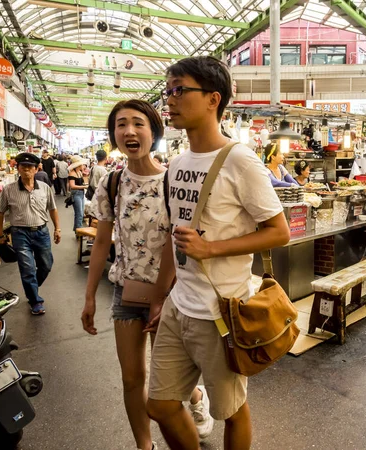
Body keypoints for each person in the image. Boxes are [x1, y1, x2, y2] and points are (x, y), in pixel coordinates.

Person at [146, 56, 290, 450]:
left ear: (213, 99)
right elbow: (173, 239)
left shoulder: (240, 160)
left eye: (179, 90)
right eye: (168, 91)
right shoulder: (175, 164)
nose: (170, 100)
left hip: (221, 309)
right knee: (158, 404)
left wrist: (212, 248)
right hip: (180, 305)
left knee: (231, 410)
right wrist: (161, 298)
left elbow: (279, 231)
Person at [81, 100, 209, 450]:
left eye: (138, 123)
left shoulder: (173, 180)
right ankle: (144, 446)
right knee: (132, 378)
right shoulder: (111, 182)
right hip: (126, 293)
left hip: (170, 294)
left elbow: (175, 241)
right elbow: (102, 241)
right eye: (121, 125)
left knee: (166, 382)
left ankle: (196, 397)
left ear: (154, 132)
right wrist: (90, 295)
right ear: (113, 136)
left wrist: (158, 298)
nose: (129, 131)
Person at [0, 152, 61, 315]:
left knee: (46, 265)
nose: (26, 169)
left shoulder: (44, 188)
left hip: (41, 231)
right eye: (22, 166)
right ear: (17, 168)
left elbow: (53, 208)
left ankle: (32, 288)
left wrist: (57, 228)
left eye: (30, 167)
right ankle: (35, 300)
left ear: (36, 169)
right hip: (20, 234)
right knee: (27, 269)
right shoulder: (9, 190)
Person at [68, 155, 89, 235]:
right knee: (79, 214)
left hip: (80, 193)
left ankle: (78, 230)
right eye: (82, 164)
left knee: (80, 213)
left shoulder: (79, 172)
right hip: (76, 194)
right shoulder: (72, 173)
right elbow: (72, 186)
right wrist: (84, 186)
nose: (83, 165)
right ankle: (78, 232)